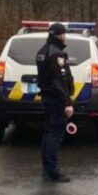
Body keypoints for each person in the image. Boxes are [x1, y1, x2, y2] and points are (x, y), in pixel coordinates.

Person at [36, 23, 74, 183]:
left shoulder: (42, 51)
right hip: (56, 99)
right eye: (64, 34)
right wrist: (67, 103)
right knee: (55, 134)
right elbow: (58, 81)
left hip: (47, 97)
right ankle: (52, 172)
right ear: (59, 35)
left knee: (48, 133)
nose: (65, 36)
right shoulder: (55, 54)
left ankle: (47, 170)